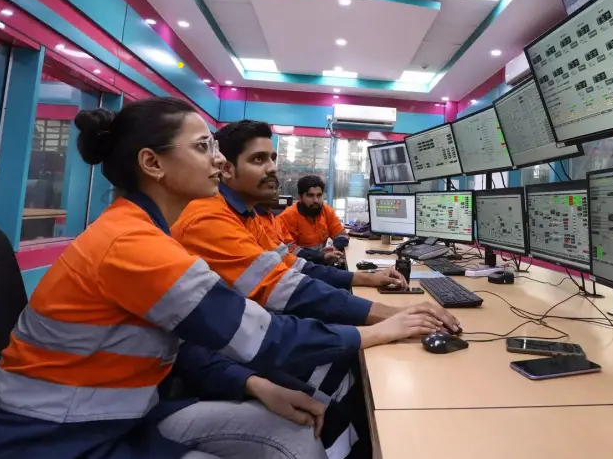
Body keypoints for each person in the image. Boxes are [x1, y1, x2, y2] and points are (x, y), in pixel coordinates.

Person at [0, 98, 446, 459]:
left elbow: (183, 343)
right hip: (51, 442)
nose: (218, 160)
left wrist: (254, 385)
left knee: (295, 432)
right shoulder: (134, 246)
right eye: (203, 148)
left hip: (119, 417)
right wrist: (380, 329)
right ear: (152, 163)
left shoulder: (149, 232)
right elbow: (263, 336)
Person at [170, 120, 459, 458]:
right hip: (227, 352)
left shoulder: (247, 215)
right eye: (258, 160)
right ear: (227, 169)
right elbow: (286, 290)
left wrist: (365, 282)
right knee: (340, 392)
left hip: (249, 336)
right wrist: (389, 319)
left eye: (273, 158)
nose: (273, 169)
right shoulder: (208, 218)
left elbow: (294, 267)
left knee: (348, 370)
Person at [278, 175, 348, 265]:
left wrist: (335, 248)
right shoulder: (287, 217)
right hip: (297, 268)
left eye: (319, 195)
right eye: (310, 195)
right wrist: (320, 256)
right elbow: (289, 251)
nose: (316, 200)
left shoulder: (327, 211)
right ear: (300, 198)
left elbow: (343, 235)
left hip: (320, 263)